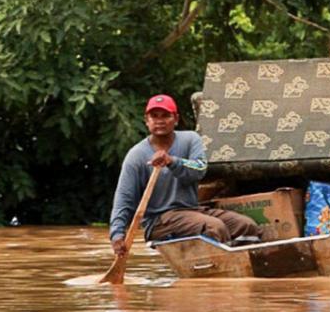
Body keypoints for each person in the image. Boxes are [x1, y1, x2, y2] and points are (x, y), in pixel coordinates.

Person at [109, 95, 260, 253]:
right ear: (147, 120)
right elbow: (124, 199)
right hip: (160, 220)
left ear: (176, 119)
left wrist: (172, 161)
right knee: (214, 227)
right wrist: (117, 234)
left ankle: (246, 266)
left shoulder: (190, 139)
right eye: (154, 116)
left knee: (246, 226)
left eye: (166, 115)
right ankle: (215, 269)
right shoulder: (137, 155)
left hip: (192, 211)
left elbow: (199, 169)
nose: (160, 121)